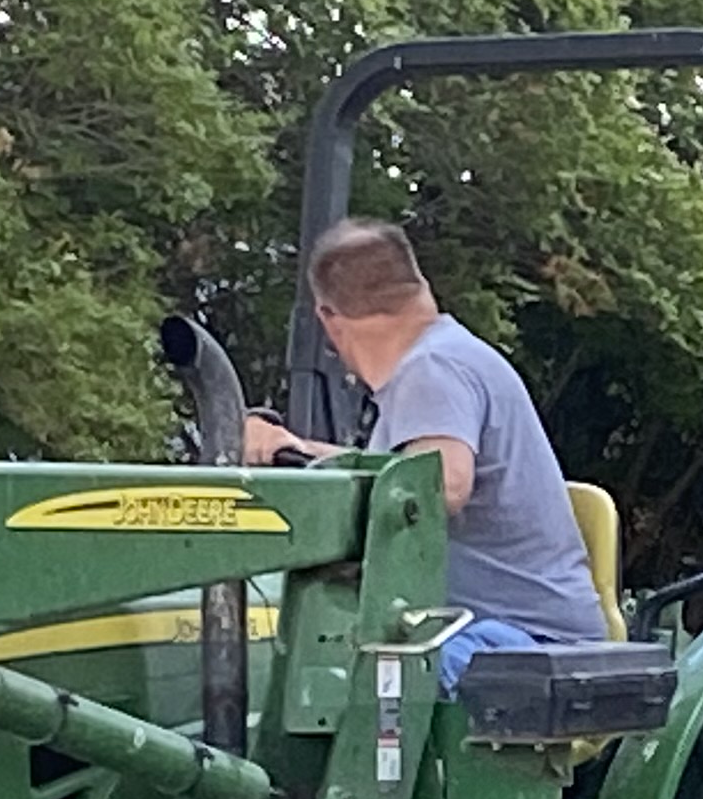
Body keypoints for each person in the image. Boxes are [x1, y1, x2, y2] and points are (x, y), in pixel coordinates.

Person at [243, 218, 609, 687]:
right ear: (421, 285)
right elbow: (399, 471)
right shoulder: (448, 356)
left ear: (328, 319)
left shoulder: (432, 369)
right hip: (500, 630)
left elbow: (440, 488)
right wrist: (293, 447)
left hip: (520, 642)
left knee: (353, 683)